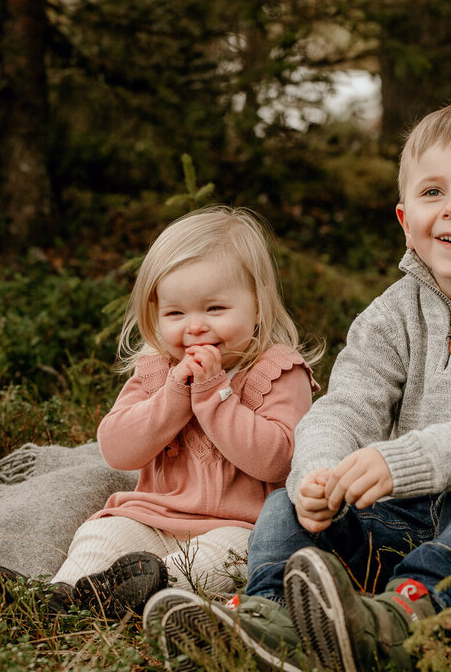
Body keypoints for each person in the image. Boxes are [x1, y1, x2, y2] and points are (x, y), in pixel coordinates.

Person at [143, 100, 451, 672]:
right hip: (409, 519)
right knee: (284, 501)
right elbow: (345, 407)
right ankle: (267, 619)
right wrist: (318, 475)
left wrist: (408, 461)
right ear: (404, 218)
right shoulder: (390, 316)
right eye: (432, 193)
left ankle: (400, 622)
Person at [49, 206, 318, 617]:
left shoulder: (277, 370)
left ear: (259, 307)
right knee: (102, 534)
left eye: (214, 310)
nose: (194, 327)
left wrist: (214, 395)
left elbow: (279, 460)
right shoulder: (159, 370)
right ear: (156, 316)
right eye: (176, 313)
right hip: (153, 517)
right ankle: (60, 594)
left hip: (239, 526)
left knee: (218, 561)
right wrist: (174, 396)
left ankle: (136, 592)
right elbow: (117, 449)